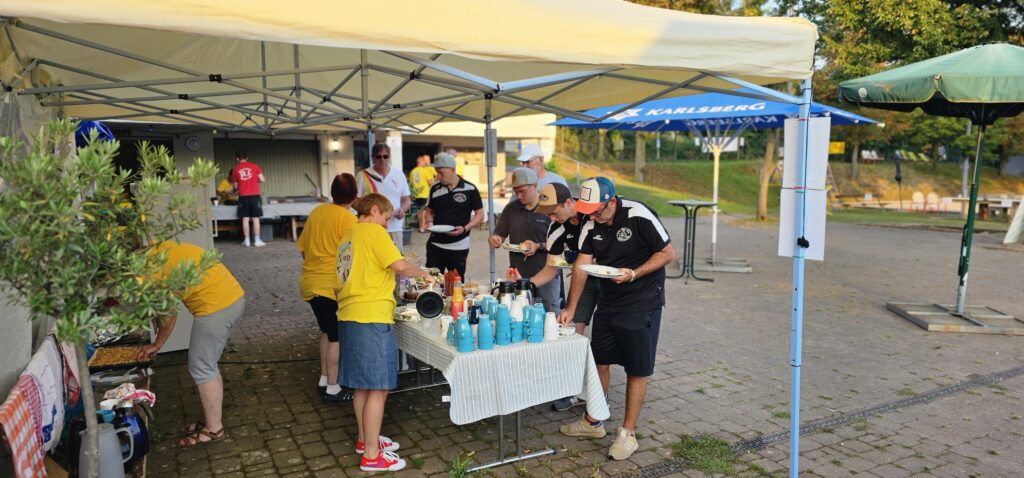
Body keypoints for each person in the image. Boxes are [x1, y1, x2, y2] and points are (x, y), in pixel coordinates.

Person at [557, 176, 676, 461]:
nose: (591, 216)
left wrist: (634, 273)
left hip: (642, 300)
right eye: (587, 211)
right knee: (600, 359)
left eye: (596, 211)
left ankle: (628, 433)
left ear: (611, 202)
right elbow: (582, 265)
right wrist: (572, 308)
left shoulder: (638, 214)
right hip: (609, 299)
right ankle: (593, 421)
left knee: (637, 368)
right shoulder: (590, 222)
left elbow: (668, 253)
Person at [336, 193, 433, 472]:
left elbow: (337, 284)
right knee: (379, 387)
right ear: (375, 211)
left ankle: (365, 440)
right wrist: (425, 274)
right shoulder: (374, 233)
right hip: (371, 317)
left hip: (348, 314)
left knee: (362, 386)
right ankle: (371, 455)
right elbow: (399, 266)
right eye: (386, 218)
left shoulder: (347, 236)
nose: (386, 224)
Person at [136, 240, 246, 448]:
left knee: (202, 368)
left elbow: (168, 315)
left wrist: (157, 345)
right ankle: (211, 421)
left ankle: (214, 429)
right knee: (206, 366)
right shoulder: (156, 248)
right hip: (230, 296)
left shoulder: (149, 268)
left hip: (216, 306)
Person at [527, 182, 598, 411]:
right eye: (547, 213)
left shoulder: (594, 214)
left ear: (569, 202)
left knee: (604, 341)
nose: (551, 218)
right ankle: (571, 390)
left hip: (613, 279)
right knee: (572, 333)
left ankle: (598, 394)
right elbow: (551, 269)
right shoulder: (556, 228)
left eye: (554, 212)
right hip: (584, 279)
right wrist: (526, 284)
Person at [296, 173, 358, 404]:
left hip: (310, 282)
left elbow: (303, 249)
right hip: (330, 287)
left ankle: (324, 379)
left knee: (326, 331)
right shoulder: (348, 219)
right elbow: (349, 257)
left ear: (332, 193)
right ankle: (333, 388)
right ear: (355, 195)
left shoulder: (317, 212)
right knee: (336, 337)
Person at [487, 167, 560, 313]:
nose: (519, 196)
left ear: (535, 185)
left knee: (549, 316)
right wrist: (494, 239)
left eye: (523, 191)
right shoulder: (511, 209)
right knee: (519, 314)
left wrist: (538, 246)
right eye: (516, 191)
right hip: (518, 276)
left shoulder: (549, 208)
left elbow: (562, 244)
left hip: (547, 275)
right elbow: (499, 234)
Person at [422, 152, 484, 278]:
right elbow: (429, 211)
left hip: (459, 245)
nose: (438, 176)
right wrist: (429, 222)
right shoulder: (434, 188)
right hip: (435, 244)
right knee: (432, 281)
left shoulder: (470, 189)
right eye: (436, 173)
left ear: (453, 170)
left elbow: (479, 214)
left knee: (456, 283)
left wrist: (465, 228)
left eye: (441, 173)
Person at [355, 143, 411, 252]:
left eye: (385, 156)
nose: (382, 160)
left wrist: (402, 209)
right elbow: (355, 201)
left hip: (394, 227)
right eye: (378, 157)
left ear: (389, 157)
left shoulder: (398, 174)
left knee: (396, 259)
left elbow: (406, 199)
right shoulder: (363, 175)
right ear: (372, 158)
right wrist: (369, 214)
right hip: (372, 228)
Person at [230, 151, 266, 247]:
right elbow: (262, 179)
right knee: (255, 218)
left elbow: (235, 186)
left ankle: (247, 241)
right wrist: (254, 180)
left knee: (245, 219)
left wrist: (234, 189)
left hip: (243, 196)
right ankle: (257, 241)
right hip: (255, 195)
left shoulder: (235, 169)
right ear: (247, 158)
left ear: (237, 159)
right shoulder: (255, 166)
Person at [408, 154, 437, 232]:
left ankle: (421, 227)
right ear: (421, 162)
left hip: (416, 194)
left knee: (419, 211)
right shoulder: (424, 170)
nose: (425, 163)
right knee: (424, 211)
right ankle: (423, 227)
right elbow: (431, 182)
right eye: (424, 161)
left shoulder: (412, 171)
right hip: (424, 194)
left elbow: (411, 184)